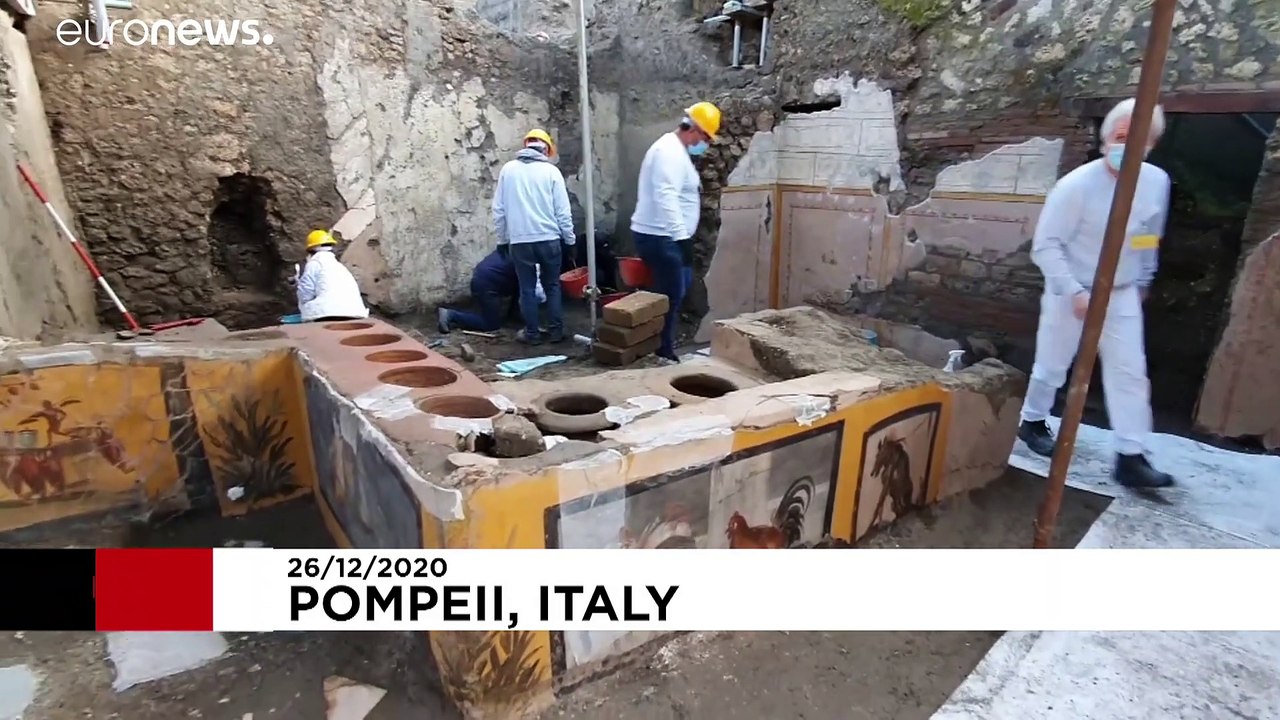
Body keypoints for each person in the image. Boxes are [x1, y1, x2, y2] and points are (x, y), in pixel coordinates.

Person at [1016, 98, 1174, 489]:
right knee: (1054, 361)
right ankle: (1033, 420)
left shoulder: (1155, 183)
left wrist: (1143, 280)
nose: (1129, 146)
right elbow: (1046, 245)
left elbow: (1149, 235)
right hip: (1072, 286)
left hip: (1121, 289)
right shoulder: (1076, 187)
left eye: (1140, 140)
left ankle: (1131, 454)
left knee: (1129, 371)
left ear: (1152, 144)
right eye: (1122, 137)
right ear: (1106, 140)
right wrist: (1072, 291)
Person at [630, 101, 720, 362]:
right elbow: (666, 197)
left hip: (666, 235)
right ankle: (662, 351)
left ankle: (661, 347)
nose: (705, 144)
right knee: (669, 295)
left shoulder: (676, 151)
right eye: (705, 138)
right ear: (694, 129)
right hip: (661, 236)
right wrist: (681, 238)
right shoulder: (668, 152)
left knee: (674, 292)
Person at [493, 128, 575, 345]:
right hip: (549, 239)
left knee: (527, 288)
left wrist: (502, 239)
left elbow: (499, 210)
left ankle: (532, 334)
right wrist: (570, 239)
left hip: (520, 242)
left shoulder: (508, 170)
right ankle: (556, 332)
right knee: (552, 286)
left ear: (526, 145)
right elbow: (563, 212)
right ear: (547, 149)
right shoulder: (551, 172)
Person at [436, 249, 543, 333]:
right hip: (487, 286)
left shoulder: (514, 247)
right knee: (490, 324)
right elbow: (536, 292)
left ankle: (514, 316)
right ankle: (451, 315)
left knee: (522, 285)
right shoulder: (528, 258)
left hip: (486, 279)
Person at [296, 229, 369, 322]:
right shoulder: (338, 266)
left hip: (328, 313)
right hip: (355, 312)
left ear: (310, 250)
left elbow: (305, 293)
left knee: (306, 308)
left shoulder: (314, 263)